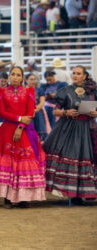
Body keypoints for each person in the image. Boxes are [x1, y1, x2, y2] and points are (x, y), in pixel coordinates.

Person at [0, 66, 46, 208]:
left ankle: (23, 197)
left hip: (24, 131)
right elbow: (2, 112)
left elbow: (30, 112)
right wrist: (19, 118)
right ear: (9, 76)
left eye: (18, 75)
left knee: (23, 164)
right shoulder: (2, 91)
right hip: (6, 131)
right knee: (8, 165)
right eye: (13, 74)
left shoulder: (29, 91)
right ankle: (7, 197)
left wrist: (20, 126)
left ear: (22, 77)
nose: (15, 77)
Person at [43, 65, 97, 203]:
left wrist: (95, 113)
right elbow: (55, 111)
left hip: (87, 129)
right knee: (71, 157)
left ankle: (81, 194)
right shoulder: (65, 90)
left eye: (79, 73)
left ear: (85, 76)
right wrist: (65, 113)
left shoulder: (92, 91)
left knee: (84, 158)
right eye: (74, 73)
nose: (75, 75)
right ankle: (71, 194)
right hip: (68, 129)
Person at [26, 73, 50, 141]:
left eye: (34, 79)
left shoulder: (39, 90)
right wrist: (30, 111)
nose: (33, 81)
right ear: (26, 80)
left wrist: (35, 110)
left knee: (40, 130)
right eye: (31, 79)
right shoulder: (23, 90)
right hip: (27, 113)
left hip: (38, 112)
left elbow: (42, 102)